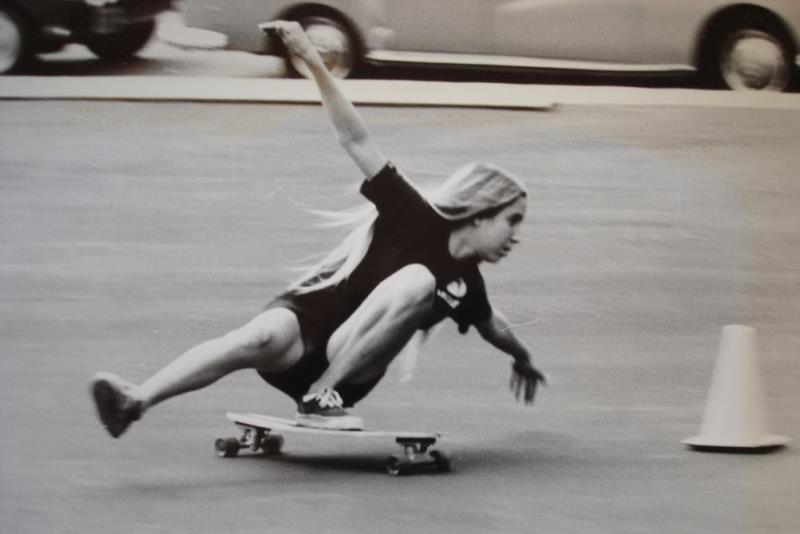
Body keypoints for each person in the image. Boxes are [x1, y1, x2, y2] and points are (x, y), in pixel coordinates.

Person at [89, 21, 547, 437]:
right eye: (513, 220)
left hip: (346, 368)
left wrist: (522, 357)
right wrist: (313, 61)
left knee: (420, 280)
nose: (517, 236)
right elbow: (355, 138)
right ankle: (135, 401)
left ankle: (320, 397)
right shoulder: (412, 212)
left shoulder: (466, 284)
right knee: (249, 339)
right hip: (301, 330)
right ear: (481, 212)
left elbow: (495, 327)